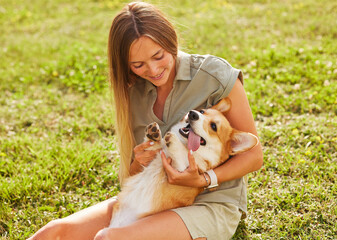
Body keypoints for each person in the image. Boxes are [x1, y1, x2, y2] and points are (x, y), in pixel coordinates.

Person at [28, 2, 263, 240]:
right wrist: (138, 162)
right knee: (53, 233)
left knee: (107, 238)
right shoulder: (134, 93)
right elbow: (134, 176)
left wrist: (204, 179)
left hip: (209, 204)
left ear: (171, 40)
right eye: (138, 65)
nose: (152, 70)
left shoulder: (214, 74)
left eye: (158, 56)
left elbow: (254, 156)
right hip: (150, 199)